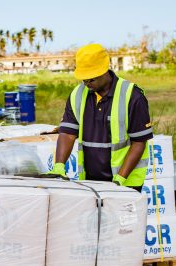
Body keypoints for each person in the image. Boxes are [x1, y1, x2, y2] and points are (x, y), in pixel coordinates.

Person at [48, 43, 153, 191]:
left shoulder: (132, 96)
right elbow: (68, 133)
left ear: (105, 71)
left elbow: (139, 142)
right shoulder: (77, 95)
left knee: (121, 215)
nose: (87, 83)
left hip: (126, 182)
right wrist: (59, 165)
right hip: (91, 182)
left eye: (92, 79)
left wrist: (120, 179)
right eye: (84, 79)